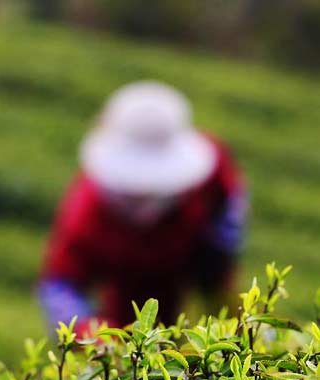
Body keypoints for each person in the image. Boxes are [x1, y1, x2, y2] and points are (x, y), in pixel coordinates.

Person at [39, 81, 248, 337]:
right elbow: (60, 285)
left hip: (196, 253)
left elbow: (230, 204)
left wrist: (221, 248)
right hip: (129, 286)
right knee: (141, 337)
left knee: (234, 326)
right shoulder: (86, 212)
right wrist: (94, 337)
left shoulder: (211, 166)